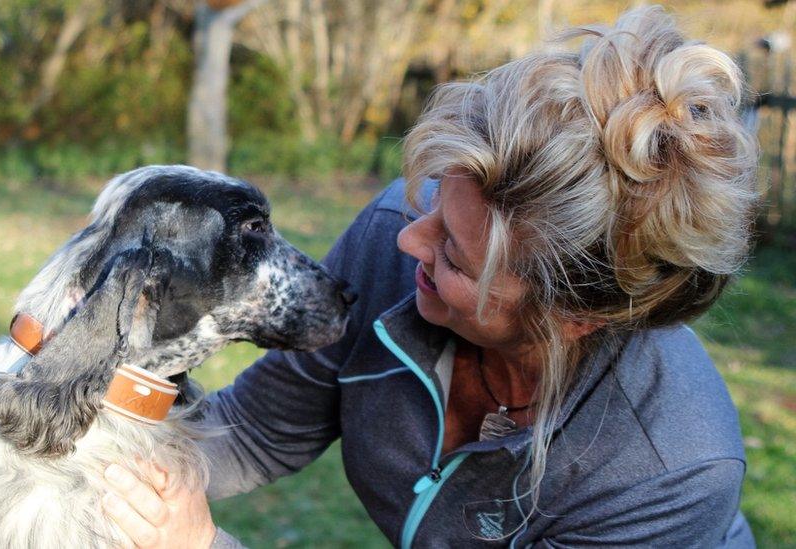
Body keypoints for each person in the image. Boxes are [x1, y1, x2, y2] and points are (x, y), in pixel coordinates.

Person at [101, 6, 759, 547]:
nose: (407, 239)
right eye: (434, 200)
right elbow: (250, 432)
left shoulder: (667, 465)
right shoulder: (395, 239)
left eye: (454, 253)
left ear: (575, 316)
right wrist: (97, 405)